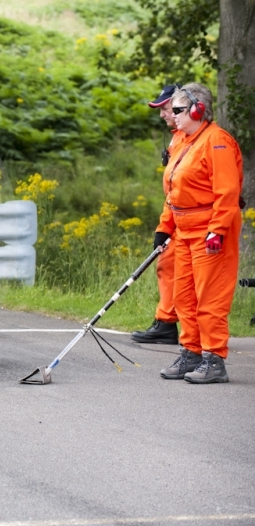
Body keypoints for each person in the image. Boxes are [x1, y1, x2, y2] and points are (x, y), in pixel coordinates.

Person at [155, 82, 243, 383]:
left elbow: (228, 192)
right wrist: (164, 227)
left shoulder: (217, 142)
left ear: (198, 110)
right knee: (185, 297)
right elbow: (174, 190)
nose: (173, 115)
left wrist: (217, 230)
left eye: (178, 110)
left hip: (210, 232)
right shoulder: (183, 140)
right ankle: (190, 352)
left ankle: (214, 359)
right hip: (184, 230)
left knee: (210, 297)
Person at [131, 84, 185, 344]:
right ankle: (166, 322)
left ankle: (193, 336)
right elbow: (173, 190)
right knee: (167, 264)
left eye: (165, 108)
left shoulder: (194, 138)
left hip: (194, 220)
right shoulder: (177, 137)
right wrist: (164, 227)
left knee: (185, 272)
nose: (162, 114)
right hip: (176, 215)